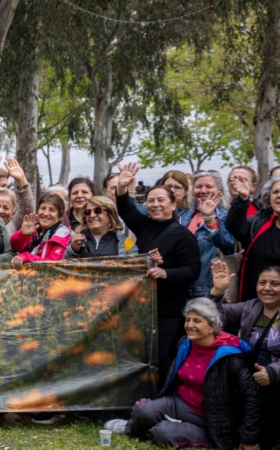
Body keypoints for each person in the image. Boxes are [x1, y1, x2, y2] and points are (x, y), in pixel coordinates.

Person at [107, 298, 260, 450]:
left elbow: (251, 395)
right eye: (188, 320)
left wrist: (248, 438)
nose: (189, 325)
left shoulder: (230, 356)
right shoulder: (185, 343)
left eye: (197, 321)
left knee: (164, 432)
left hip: (209, 420)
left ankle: (171, 430)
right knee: (144, 411)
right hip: (178, 402)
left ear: (212, 326)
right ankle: (131, 428)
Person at [116, 162, 201, 381]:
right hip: (145, 306)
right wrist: (123, 187)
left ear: (173, 204)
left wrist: (166, 273)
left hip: (170, 310)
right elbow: (126, 210)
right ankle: (145, 400)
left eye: (161, 200)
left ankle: (165, 401)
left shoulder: (182, 235)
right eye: (151, 200)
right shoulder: (144, 225)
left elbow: (193, 270)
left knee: (162, 357)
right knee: (143, 354)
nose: (155, 205)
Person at [211, 262, 280, 449]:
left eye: (275, 284)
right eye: (262, 282)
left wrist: (273, 372)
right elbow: (213, 318)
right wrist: (218, 292)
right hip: (250, 387)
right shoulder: (250, 307)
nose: (267, 288)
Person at [178, 170, 234, 298]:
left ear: (219, 190)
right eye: (198, 186)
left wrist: (209, 218)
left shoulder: (226, 216)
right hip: (180, 287)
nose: (203, 190)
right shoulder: (183, 215)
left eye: (209, 186)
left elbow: (226, 243)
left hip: (208, 289)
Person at [226, 175, 280, 303]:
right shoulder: (258, 222)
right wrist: (243, 199)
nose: (279, 195)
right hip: (253, 303)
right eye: (276, 192)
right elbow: (234, 226)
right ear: (268, 197)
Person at [10, 193, 72, 268]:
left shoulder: (62, 234)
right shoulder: (33, 226)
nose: (45, 213)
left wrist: (25, 257)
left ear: (59, 216)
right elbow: (15, 247)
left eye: (52, 210)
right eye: (43, 208)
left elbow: (52, 263)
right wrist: (22, 234)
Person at [65, 196, 136, 258]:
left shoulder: (126, 243)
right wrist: (72, 249)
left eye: (97, 210)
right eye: (87, 212)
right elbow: (63, 267)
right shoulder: (76, 239)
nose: (92, 215)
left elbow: (134, 270)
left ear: (110, 215)